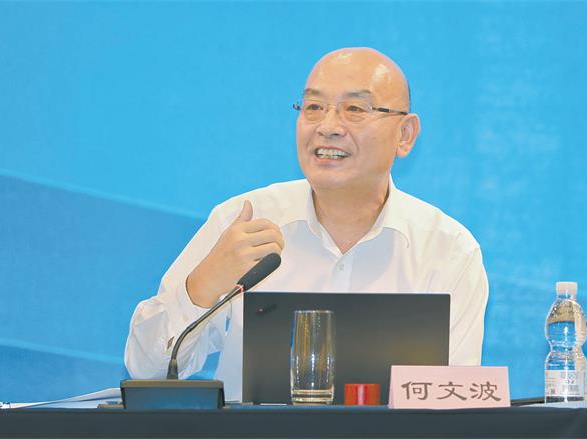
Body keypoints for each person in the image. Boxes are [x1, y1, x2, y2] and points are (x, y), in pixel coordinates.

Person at [125, 47, 489, 401]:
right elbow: (147, 373)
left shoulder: (447, 250)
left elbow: (456, 406)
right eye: (313, 107)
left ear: (405, 135)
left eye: (355, 109)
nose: (328, 127)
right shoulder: (243, 222)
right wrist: (202, 285)